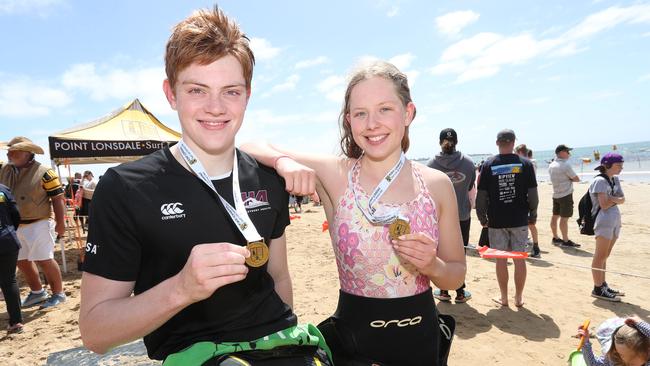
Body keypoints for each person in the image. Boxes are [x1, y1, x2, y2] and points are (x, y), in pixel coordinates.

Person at [78, 6, 331, 365]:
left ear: (247, 94)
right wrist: (181, 289)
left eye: (230, 91)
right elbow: (95, 332)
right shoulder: (126, 188)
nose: (215, 107)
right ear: (171, 94)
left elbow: (279, 279)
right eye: (197, 90)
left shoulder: (268, 177)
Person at [242, 60, 466, 366]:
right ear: (349, 120)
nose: (372, 123)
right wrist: (284, 162)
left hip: (421, 341)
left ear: (408, 113)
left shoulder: (436, 185)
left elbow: (456, 275)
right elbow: (249, 145)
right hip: (354, 344)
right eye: (361, 113)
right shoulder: (336, 175)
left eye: (385, 109)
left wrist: (433, 265)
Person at [0, 137, 67, 309]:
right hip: (14, 226)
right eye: (9, 151)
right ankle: (37, 292)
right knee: (21, 261)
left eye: (14, 151)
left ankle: (58, 293)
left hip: (40, 223)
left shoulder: (45, 172)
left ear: (27, 153)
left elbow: (58, 199)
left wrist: (61, 223)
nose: (9, 154)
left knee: (45, 259)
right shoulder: (5, 169)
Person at [476, 129, 538, 307]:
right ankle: (518, 298)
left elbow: (481, 196)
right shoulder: (525, 164)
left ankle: (504, 298)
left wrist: (482, 218)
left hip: (497, 219)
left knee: (501, 260)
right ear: (513, 143)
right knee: (519, 259)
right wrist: (532, 214)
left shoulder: (488, 164)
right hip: (519, 218)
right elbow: (533, 195)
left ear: (497, 143)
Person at [428, 128, 474, 303]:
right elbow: (469, 187)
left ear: (439, 142)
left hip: (439, 218)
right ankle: (461, 292)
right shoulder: (468, 164)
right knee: (459, 254)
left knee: (442, 253)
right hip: (462, 216)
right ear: (457, 141)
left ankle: (444, 290)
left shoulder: (431, 164)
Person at [589, 152, 625, 302]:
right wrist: (615, 199)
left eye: (622, 165)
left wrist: (613, 199)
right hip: (603, 221)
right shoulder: (600, 181)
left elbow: (623, 199)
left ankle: (603, 285)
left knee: (606, 255)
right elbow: (603, 205)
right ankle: (598, 288)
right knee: (600, 256)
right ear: (607, 165)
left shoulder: (614, 179)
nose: (621, 168)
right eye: (618, 165)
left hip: (614, 219)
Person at [578, 316, 650, 365]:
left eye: (632, 357)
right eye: (621, 355)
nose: (625, 361)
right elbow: (594, 364)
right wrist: (585, 343)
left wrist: (640, 323)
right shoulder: (615, 357)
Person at [0, 183, 23, 333]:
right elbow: (16, 215)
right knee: (9, 281)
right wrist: (9, 230)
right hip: (7, 239)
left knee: (9, 281)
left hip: (7, 238)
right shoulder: (3, 189)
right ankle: (16, 322)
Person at [548, 144, 581, 248]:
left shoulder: (552, 165)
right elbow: (576, 178)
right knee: (564, 218)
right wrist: (569, 179)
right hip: (565, 194)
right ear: (561, 152)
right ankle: (565, 240)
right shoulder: (565, 165)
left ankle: (555, 237)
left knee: (555, 216)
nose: (569, 154)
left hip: (556, 194)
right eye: (567, 151)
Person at [515, 144, 541, 258]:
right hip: (530, 194)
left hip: (527, 195)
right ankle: (533, 245)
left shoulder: (527, 163)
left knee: (529, 223)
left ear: (520, 152)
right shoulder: (530, 163)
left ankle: (535, 246)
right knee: (529, 223)